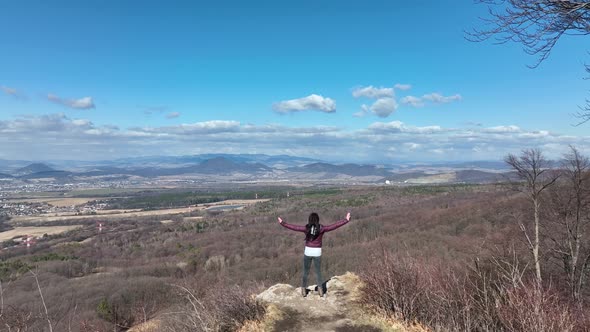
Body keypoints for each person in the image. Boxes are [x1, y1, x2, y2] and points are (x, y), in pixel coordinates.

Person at [278, 212, 351, 298]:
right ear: (317, 220)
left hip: (308, 251)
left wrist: (282, 223)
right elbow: (334, 226)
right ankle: (320, 290)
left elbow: (294, 227)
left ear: (309, 220)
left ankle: (304, 290)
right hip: (317, 252)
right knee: (318, 272)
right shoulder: (322, 228)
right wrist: (346, 220)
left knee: (306, 272)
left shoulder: (306, 228)